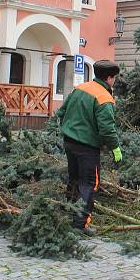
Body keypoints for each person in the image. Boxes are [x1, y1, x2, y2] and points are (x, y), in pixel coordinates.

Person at [56, 60, 122, 232]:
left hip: (69, 142)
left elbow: (61, 112)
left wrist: (70, 129)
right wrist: (115, 148)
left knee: (75, 179)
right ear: (109, 78)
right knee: (89, 183)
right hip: (87, 148)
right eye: (114, 78)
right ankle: (80, 224)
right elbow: (107, 128)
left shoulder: (80, 88)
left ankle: (68, 212)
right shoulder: (104, 97)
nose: (114, 81)